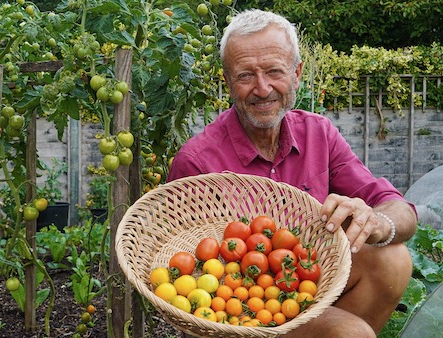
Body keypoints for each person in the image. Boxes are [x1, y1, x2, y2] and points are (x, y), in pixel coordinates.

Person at [167, 9, 417, 338]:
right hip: (237, 314)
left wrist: (375, 222)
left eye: (275, 71)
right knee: (351, 334)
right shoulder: (197, 163)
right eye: (245, 76)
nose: (262, 88)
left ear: (296, 73)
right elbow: (178, 278)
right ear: (227, 82)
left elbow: (399, 209)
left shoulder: (318, 134)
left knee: (393, 259)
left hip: (303, 292)